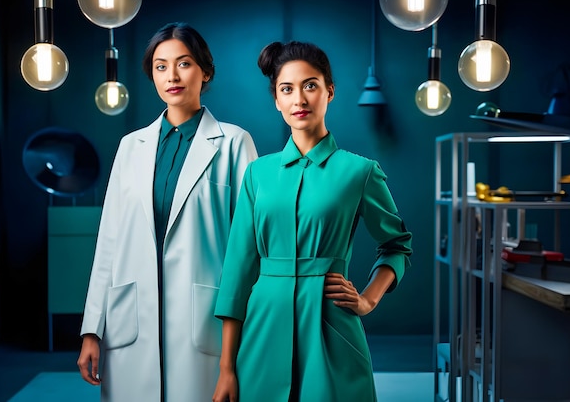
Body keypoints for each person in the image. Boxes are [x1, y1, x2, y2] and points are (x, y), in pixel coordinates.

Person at [212, 41, 412, 402]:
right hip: (262, 329)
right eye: (287, 89)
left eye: (310, 85)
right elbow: (238, 271)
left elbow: (397, 245)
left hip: (331, 327)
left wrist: (368, 300)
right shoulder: (257, 174)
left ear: (329, 91)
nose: (299, 99)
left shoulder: (360, 171)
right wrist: (227, 368)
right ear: (276, 99)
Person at [77, 22, 258, 402]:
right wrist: (92, 329)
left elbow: (249, 248)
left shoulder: (234, 143)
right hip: (130, 322)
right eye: (161, 66)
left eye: (184, 63)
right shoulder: (131, 147)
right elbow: (109, 241)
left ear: (205, 71)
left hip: (204, 321)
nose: (172, 76)